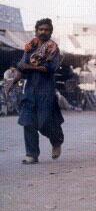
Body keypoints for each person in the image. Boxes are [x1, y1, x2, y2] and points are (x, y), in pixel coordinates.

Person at [17, 18, 64, 164]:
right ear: (36, 30)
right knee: (28, 122)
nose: (43, 32)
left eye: (47, 30)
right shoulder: (30, 47)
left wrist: (28, 67)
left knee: (44, 123)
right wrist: (14, 78)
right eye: (41, 29)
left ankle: (57, 141)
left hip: (46, 90)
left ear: (50, 32)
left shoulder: (53, 49)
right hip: (30, 89)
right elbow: (21, 66)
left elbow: (49, 68)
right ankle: (31, 154)